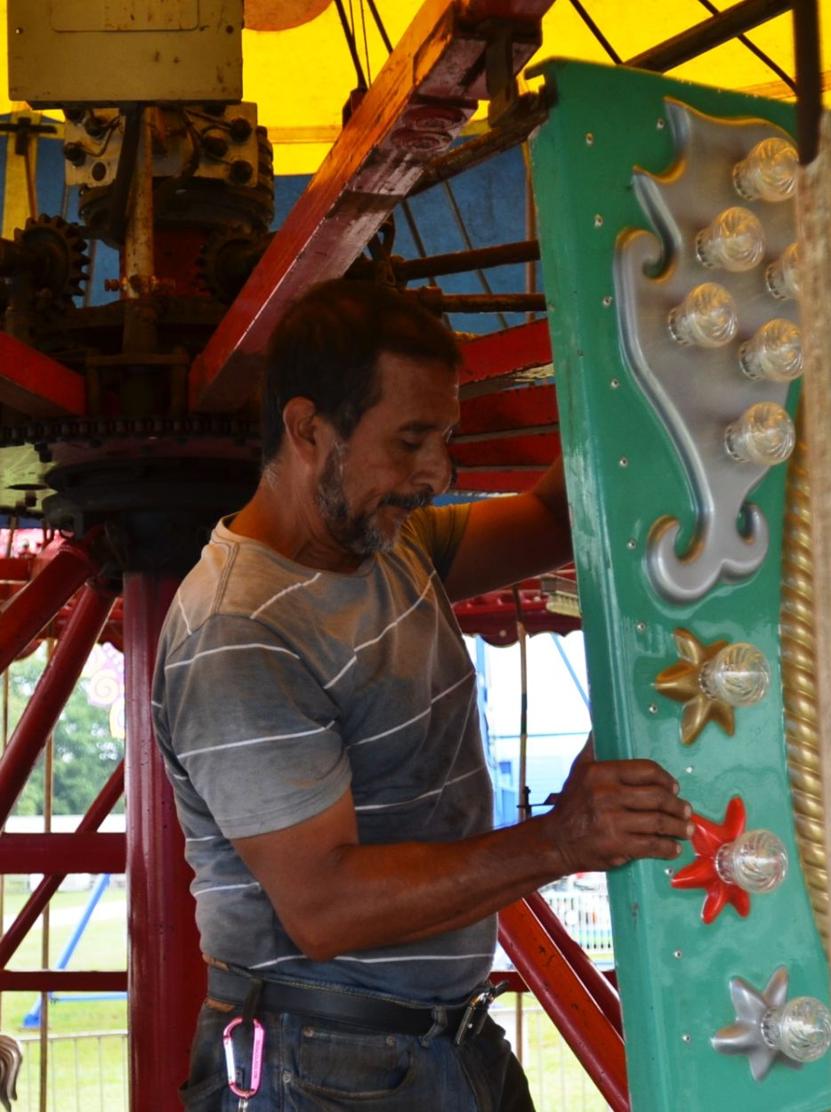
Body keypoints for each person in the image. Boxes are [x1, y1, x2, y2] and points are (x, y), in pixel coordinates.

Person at [154, 279, 691, 1110]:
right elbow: (325, 908)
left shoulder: (389, 549)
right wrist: (560, 841)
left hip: (438, 1042)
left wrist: (645, 369)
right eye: (409, 442)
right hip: (322, 1068)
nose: (436, 473)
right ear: (307, 430)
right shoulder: (241, 633)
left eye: (444, 438)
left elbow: (558, 514)